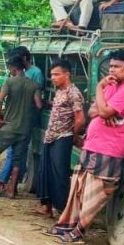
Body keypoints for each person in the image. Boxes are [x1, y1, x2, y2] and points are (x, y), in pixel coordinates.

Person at [49, 49, 124, 245]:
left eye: (117, 67)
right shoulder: (112, 86)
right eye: (110, 67)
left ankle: (79, 232)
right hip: (94, 144)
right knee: (80, 188)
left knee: (97, 193)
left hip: (109, 148)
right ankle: (68, 225)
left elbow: (105, 111)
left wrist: (100, 90)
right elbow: (93, 111)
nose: (112, 71)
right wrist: (102, 109)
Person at [0, 56, 42, 198]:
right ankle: (11, 190)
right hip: (25, 128)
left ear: (13, 68)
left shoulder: (10, 82)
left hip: (10, 126)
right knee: (18, 159)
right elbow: (39, 105)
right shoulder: (34, 85)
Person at [33, 60, 85, 219]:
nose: (53, 78)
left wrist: (74, 135)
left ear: (67, 74)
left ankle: (65, 212)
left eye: (57, 74)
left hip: (63, 137)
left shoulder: (73, 93)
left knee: (60, 175)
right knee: (46, 172)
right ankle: (46, 207)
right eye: (51, 75)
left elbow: (80, 118)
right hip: (51, 137)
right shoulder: (59, 91)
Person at [0, 46, 44, 191]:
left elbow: (0, 100)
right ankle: (10, 185)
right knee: (17, 152)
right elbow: (39, 103)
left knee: (12, 152)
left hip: (21, 118)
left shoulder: (34, 74)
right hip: (18, 117)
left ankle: (3, 181)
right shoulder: (26, 76)